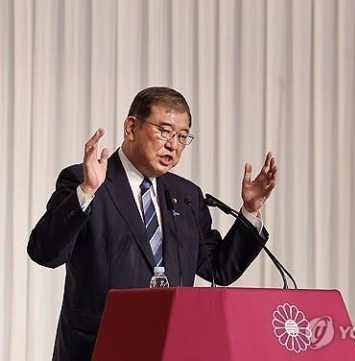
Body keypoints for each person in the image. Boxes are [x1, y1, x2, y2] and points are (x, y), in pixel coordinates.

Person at [27, 87, 277, 361]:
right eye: (164, 131)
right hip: (99, 348)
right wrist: (86, 191)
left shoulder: (186, 195)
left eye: (182, 136)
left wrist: (251, 211)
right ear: (131, 128)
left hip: (172, 348)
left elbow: (219, 268)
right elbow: (44, 253)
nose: (173, 144)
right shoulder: (85, 180)